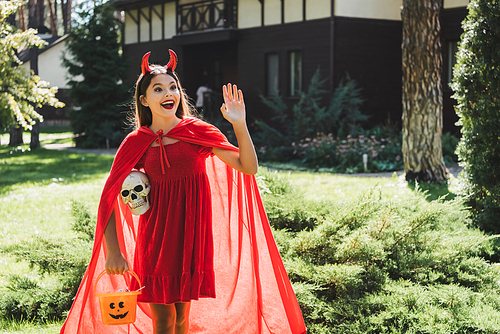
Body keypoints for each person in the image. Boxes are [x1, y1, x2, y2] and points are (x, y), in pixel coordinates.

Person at [60, 49, 306, 334]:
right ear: (144, 99)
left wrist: (239, 124)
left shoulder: (197, 132)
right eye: (159, 88)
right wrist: (113, 252)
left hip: (192, 240)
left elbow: (248, 167)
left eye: (173, 87)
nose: (169, 93)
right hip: (156, 243)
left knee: (180, 319)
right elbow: (108, 198)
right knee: (163, 321)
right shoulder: (136, 141)